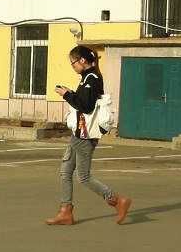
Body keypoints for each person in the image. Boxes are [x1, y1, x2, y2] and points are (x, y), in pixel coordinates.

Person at [47, 45, 131, 226]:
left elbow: (86, 107)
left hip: (86, 136)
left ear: (82, 60)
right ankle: (65, 211)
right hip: (78, 133)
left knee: (83, 177)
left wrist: (67, 95)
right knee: (65, 171)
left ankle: (117, 200)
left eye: (73, 63)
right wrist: (71, 93)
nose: (73, 67)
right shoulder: (87, 78)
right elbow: (83, 101)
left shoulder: (92, 78)